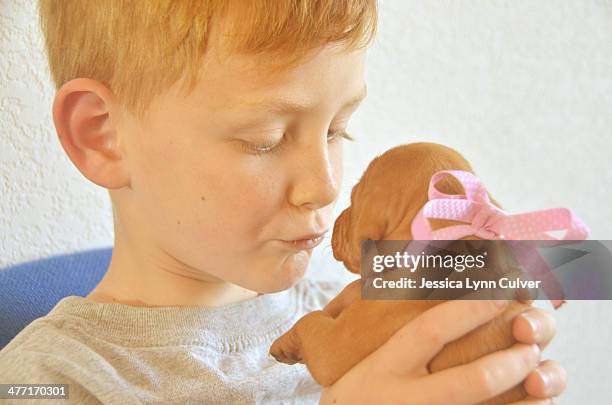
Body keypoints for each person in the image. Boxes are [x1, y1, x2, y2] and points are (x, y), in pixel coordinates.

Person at [0, 1, 566, 403]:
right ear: (103, 135)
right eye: (264, 139)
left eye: (339, 130)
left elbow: (566, 264)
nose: (324, 186)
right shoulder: (48, 381)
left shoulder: (355, 303)